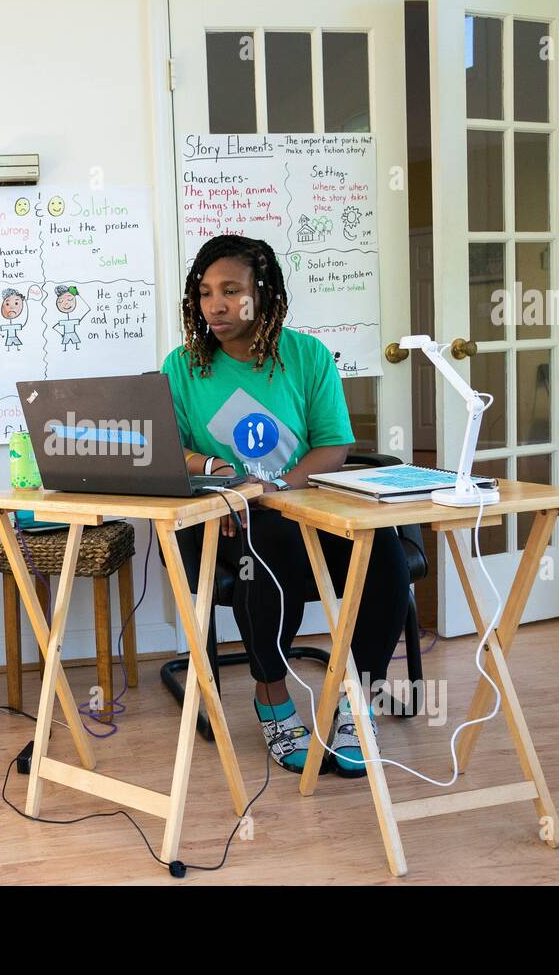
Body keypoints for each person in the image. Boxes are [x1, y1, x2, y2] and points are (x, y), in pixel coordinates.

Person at [160, 234, 409, 777]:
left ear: (263, 295)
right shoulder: (183, 366)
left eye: (230, 291)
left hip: (307, 504)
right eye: (204, 293)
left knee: (385, 553)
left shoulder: (306, 355)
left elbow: (333, 444)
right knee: (267, 548)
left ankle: (356, 698)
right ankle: (272, 694)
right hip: (225, 518)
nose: (215, 305)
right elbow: (171, 452)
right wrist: (221, 474)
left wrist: (281, 489)